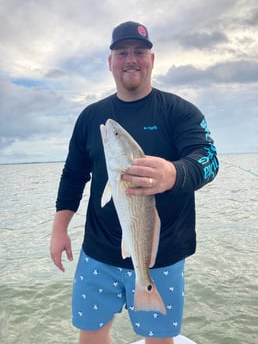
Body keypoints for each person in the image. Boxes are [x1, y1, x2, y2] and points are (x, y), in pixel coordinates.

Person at [50, 21, 219, 344]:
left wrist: (173, 174)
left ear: (151, 60)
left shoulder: (179, 111)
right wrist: (59, 230)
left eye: (139, 52)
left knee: (158, 338)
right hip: (97, 252)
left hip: (163, 256)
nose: (131, 59)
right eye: (122, 52)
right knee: (91, 333)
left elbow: (208, 159)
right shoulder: (90, 117)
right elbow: (73, 175)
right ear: (110, 62)